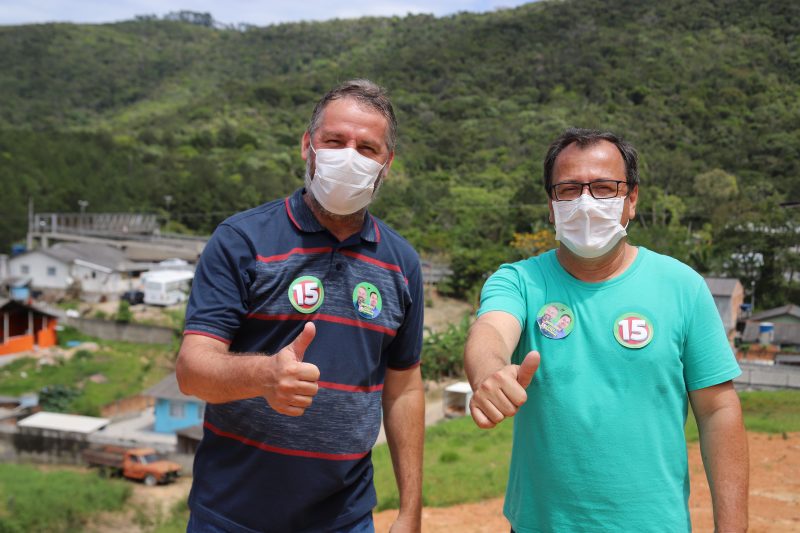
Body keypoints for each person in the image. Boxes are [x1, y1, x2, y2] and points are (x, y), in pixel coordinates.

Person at [464, 128, 748, 532]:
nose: (585, 202)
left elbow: (718, 409)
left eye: (604, 188)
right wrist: (489, 373)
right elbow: (490, 331)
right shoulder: (519, 281)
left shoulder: (682, 286)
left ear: (631, 199)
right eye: (568, 189)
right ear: (551, 204)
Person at [176, 79, 425, 533]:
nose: (349, 156)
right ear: (307, 147)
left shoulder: (402, 263)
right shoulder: (242, 240)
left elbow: (405, 387)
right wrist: (264, 377)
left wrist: (410, 510)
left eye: (367, 148)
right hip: (231, 517)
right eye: (335, 141)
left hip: (345, 520)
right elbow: (192, 370)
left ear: (386, 165)